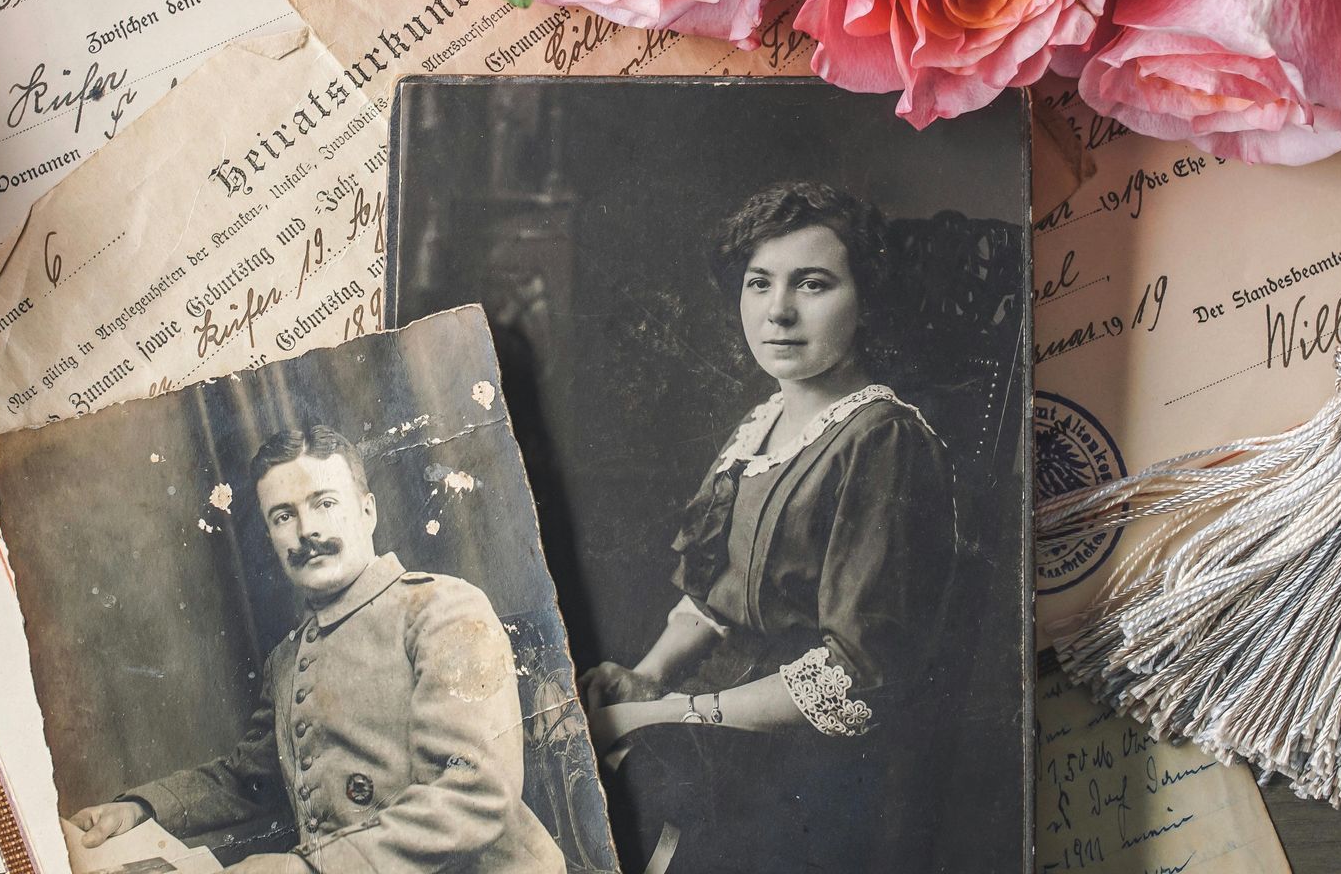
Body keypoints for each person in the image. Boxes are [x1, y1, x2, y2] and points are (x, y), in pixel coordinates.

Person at [578, 181, 957, 874]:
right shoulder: (761, 425)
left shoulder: (884, 439)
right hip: (723, 735)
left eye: (812, 284)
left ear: (865, 299)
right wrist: (648, 675)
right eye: (759, 283)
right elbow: (715, 592)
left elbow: (857, 670)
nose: (778, 311)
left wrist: (678, 717)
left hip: (815, 772)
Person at [68, 425, 568, 874]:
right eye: (284, 516)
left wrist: (307, 870)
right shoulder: (287, 660)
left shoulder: (443, 609)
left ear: (367, 510)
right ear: (270, 536)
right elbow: (249, 780)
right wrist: (140, 808)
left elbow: (474, 793)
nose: (307, 532)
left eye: (325, 504)